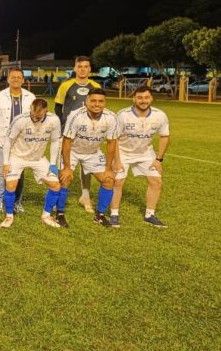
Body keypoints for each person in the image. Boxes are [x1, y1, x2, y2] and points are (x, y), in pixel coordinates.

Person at [111, 86, 170, 227]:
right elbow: (114, 139)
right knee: (118, 182)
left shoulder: (160, 115)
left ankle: (149, 215)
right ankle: (114, 214)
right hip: (123, 152)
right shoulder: (123, 115)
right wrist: (117, 161)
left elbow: (164, 136)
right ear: (134, 99)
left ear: (151, 99)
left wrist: (158, 159)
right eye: (140, 98)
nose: (143, 101)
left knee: (156, 182)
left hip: (145, 153)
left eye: (146, 97)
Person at [59, 89, 117, 227]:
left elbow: (111, 143)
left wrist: (108, 169)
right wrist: (67, 168)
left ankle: (100, 215)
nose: (97, 104)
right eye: (93, 101)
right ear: (86, 101)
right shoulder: (76, 115)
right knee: (65, 178)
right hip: (72, 150)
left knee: (108, 180)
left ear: (105, 102)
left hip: (92, 152)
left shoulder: (111, 117)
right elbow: (66, 142)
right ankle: (59, 214)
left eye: (100, 101)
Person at [0, 99, 62, 228]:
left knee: (55, 186)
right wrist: (6, 162)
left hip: (38, 158)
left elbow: (55, 141)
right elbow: (8, 140)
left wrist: (52, 163)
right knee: (11, 186)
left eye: (38, 116)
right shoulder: (20, 120)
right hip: (17, 157)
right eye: (33, 114)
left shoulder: (54, 120)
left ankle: (46, 215)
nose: (35, 118)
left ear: (46, 110)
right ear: (31, 108)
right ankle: (9, 216)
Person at [54, 56, 101, 213]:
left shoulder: (95, 85)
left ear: (89, 69)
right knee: (64, 165)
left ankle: (85, 196)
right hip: (68, 134)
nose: (82, 69)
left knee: (86, 165)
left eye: (86, 66)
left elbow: (99, 105)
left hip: (89, 133)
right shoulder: (66, 85)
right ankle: (57, 199)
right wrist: (63, 126)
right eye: (79, 66)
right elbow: (57, 107)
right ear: (75, 68)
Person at [0, 68, 35, 214]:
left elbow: (34, 119)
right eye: (12, 77)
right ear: (8, 79)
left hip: (22, 143)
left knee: (19, 172)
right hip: (2, 140)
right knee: (1, 170)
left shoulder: (30, 97)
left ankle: (16, 201)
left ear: (23, 80)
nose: (15, 79)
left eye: (19, 77)